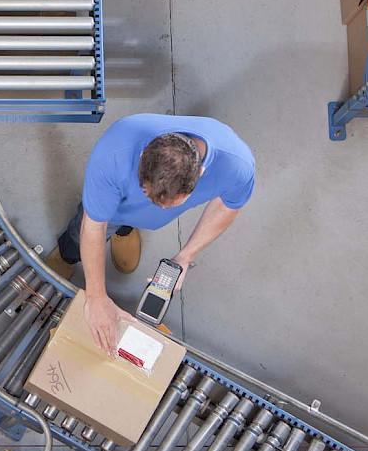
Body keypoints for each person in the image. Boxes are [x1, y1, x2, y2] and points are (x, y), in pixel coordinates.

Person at [45, 114, 255, 356]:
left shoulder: (237, 166)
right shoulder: (114, 152)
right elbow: (93, 225)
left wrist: (185, 257)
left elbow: (229, 205)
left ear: (200, 173)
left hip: (133, 213)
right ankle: (66, 255)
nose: (161, 208)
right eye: (147, 194)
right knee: (78, 237)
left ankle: (125, 231)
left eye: (172, 203)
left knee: (134, 218)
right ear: (143, 156)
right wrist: (95, 296)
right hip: (110, 211)